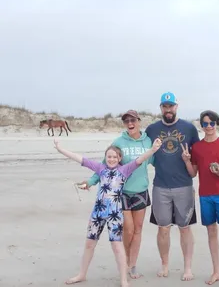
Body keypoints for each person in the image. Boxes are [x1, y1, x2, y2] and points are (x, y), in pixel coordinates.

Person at [53, 137, 162, 287]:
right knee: (89, 244)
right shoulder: (100, 169)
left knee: (117, 246)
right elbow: (80, 158)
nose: (111, 159)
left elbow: (140, 159)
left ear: (119, 159)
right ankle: (82, 274)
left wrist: (153, 149)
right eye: (108, 156)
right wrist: (60, 149)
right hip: (97, 213)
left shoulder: (124, 170)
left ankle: (123, 279)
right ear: (105, 158)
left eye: (114, 157)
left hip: (115, 215)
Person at [80, 110, 153, 279]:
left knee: (138, 229)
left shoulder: (147, 141)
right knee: (128, 229)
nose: (130, 123)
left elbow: (155, 160)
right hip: (123, 193)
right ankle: (125, 263)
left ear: (138, 121)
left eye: (132, 120)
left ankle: (133, 265)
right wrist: (90, 182)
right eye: (126, 121)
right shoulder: (119, 142)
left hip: (141, 190)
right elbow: (103, 168)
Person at [181, 110, 219, 287]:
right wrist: (186, 160)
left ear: (217, 124)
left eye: (212, 123)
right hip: (205, 196)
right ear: (201, 125)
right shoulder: (197, 148)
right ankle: (216, 272)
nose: (208, 126)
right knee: (211, 233)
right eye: (205, 123)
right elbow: (193, 173)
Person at [145, 92, 200, 281]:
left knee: (185, 228)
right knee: (163, 228)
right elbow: (141, 150)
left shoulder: (189, 128)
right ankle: (165, 265)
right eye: (165, 106)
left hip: (184, 186)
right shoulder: (151, 129)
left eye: (171, 106)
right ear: (161, 108)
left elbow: (199, 155)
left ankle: (187, 268)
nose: (168, 110)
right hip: (160, 186)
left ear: (177, 107)